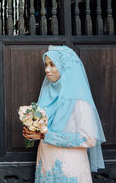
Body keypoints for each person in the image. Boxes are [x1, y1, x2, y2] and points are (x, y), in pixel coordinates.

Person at [23, 45, 105, 182]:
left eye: (52, 65)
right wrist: (32, 132)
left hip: (69, 167)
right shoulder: (47, 96)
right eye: (46, 65)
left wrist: (44, 136)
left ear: (65, 68)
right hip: (46, 161)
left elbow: (89, 139)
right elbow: (43, 129)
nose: (46, 69)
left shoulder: (79, 100)